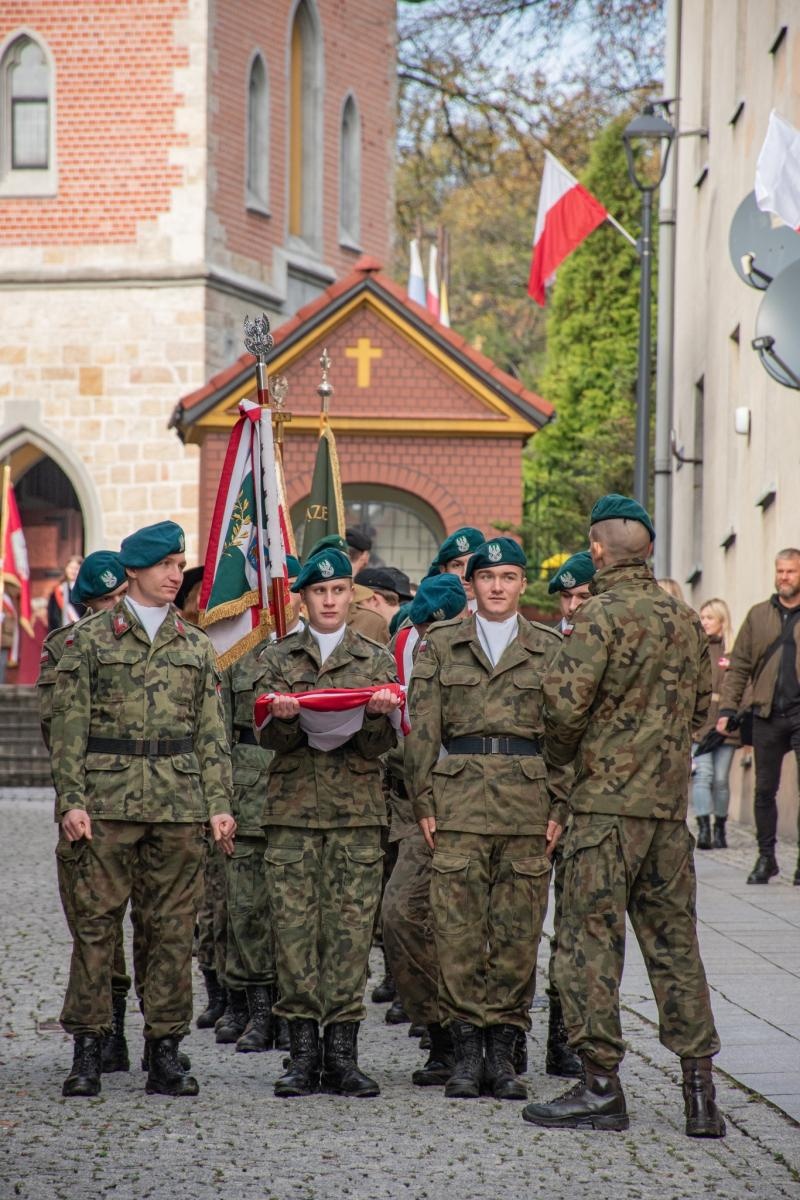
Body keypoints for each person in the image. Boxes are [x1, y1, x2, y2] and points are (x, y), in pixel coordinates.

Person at [523, 494, 724, 1139]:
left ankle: (601, 1088)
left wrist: (571, 763)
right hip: (666, 814)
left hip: (603, 813)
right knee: (677, 948)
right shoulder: (686, 620)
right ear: (650, 552)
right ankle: (700, 1096)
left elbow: (561, 711)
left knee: (589, 947)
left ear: (597, 550)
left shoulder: (595, 617)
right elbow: (703, 708)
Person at [49, 520, 235, 1099]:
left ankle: (166, 1052)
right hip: (105, 806)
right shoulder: (91, 640)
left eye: (180, 565)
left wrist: (219, 804)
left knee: (171, 933)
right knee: (96, 930)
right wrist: (71, 801)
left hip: (178, 808)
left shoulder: (195, 644)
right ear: (133, 572)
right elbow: (68, 730)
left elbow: (211, 734)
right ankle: (89, 1047)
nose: (175, 575)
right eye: (165, 565)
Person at [406, 537, 566, 1102]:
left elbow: (567, 737)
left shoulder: (549, 649)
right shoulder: (440, 645)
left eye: (509, 576)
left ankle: (504, 1053)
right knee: (456, 932)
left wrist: (561, 805)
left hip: (528, 807)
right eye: (487, 577)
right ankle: (466, 1053)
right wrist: (423, 801)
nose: (497, 586)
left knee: (518, 934)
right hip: (458, 806)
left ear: (524, 585)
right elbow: (422, 729)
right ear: (470, 586)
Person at [257, 548, 400, 1098]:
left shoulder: (374, 656)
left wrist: (375, 715)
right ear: (305, 598)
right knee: (294, 937)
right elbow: (267, 738)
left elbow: (381, 747)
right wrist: (287, 718)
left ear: (353, 596)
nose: (330, 600)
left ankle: (342, 1055)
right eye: (320, 592)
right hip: (292, 815)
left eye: (339, 591)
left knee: (348, 938)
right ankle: (301, 1057)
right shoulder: (279, 656)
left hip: (356, 817)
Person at [39, 552, 139, 1074]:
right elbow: (58, 732)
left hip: (146, 805)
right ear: (87, 605)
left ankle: (129, 1033)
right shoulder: (64, 650)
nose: (117, 607)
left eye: (123, 595)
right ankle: (100, 1033)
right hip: (88, 806)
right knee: (95, 928)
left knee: (154, 926)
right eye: (106, 600)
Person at [382, 572, 468, 1086]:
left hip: (485, 807)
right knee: (400, 914)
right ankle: (437, 1032)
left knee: (480, 927)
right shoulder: (412, 658)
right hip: (424, 806)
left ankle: (491, 1039)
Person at [218, 554, 305, 1054]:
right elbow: (218, 733)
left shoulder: (316, 652)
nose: (280, 597)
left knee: (296, 912)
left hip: (300, 791)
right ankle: (257, 1011)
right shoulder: (235, 653)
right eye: (271, 587)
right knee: (248, 910)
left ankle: (294, 1012)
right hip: (247, 792)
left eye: (289, 588)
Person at [540, 551, 598, 1080]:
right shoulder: (550, 650)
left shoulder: (608, 646)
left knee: (574, 928)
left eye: (583, 596)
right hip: (543, 804)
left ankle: (565, 1036)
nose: (573, 605)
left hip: (594, 807)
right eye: (566, 596)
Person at [718, 548, 800, 886]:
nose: (784, 577)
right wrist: (726, 709)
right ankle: (766, 857)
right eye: (780, 571)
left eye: (791, 572)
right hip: (766, 714)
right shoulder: (758, 616)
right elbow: (738, 667)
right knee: (764, 791)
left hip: (799, 713)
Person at [693, 598, 738, 850]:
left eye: (709, 617)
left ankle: (720, 827)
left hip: (727, 724)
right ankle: (703, 829)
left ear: (722, 620)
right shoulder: (696, 648)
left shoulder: (732, 651)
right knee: (703, 776)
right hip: (701, 723)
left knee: (721, 779)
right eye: (702, 617)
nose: (705, 622)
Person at [306, 534, 389, 643]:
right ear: (304, 594)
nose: (329, 601)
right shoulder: (294, 621)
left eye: (338, 589)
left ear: (351, 592)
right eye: (320, 590)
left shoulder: (374, 623)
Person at [47, 554, 83, 631]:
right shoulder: (58, 590)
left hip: (81, 632)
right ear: (66, 569)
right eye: (71, 568)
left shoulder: (84, 591)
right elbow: (53, 615)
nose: (73, 571)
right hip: (62, 631)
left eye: (76, 568)